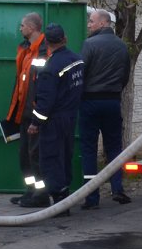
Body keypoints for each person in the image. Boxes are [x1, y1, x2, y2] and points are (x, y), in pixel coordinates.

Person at [15, 23, 84, 210]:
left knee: (52, 159)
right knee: (65, 156)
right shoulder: (76, 60)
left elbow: (45, 100)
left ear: (47, 41)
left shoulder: (51, 67)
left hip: (54, 121)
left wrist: (35, 123)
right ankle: (63, 196)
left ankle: (60, 202)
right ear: (65, 39)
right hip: (70, 117)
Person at [77, 8, 133, 208]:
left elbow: (80, 74)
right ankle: (117, 188)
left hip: (91, 102)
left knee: (89, 149)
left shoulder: (89, 44)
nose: (88, 25)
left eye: (91, 21)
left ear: (102, 23)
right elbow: (125, 75)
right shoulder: (121, 46)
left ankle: (91, 197)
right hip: (112, 101)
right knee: (114, 148)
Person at [5, 12, 46, 206]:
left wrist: (38, 114)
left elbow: (44, 85)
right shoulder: (25, 49)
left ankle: (41, 195)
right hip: (23, 112)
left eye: (22, 25)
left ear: (31, 27)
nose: (20, 29)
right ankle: (30, 191)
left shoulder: (44, 50)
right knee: (25, 156)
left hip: (36, 113)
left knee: (35, 156)